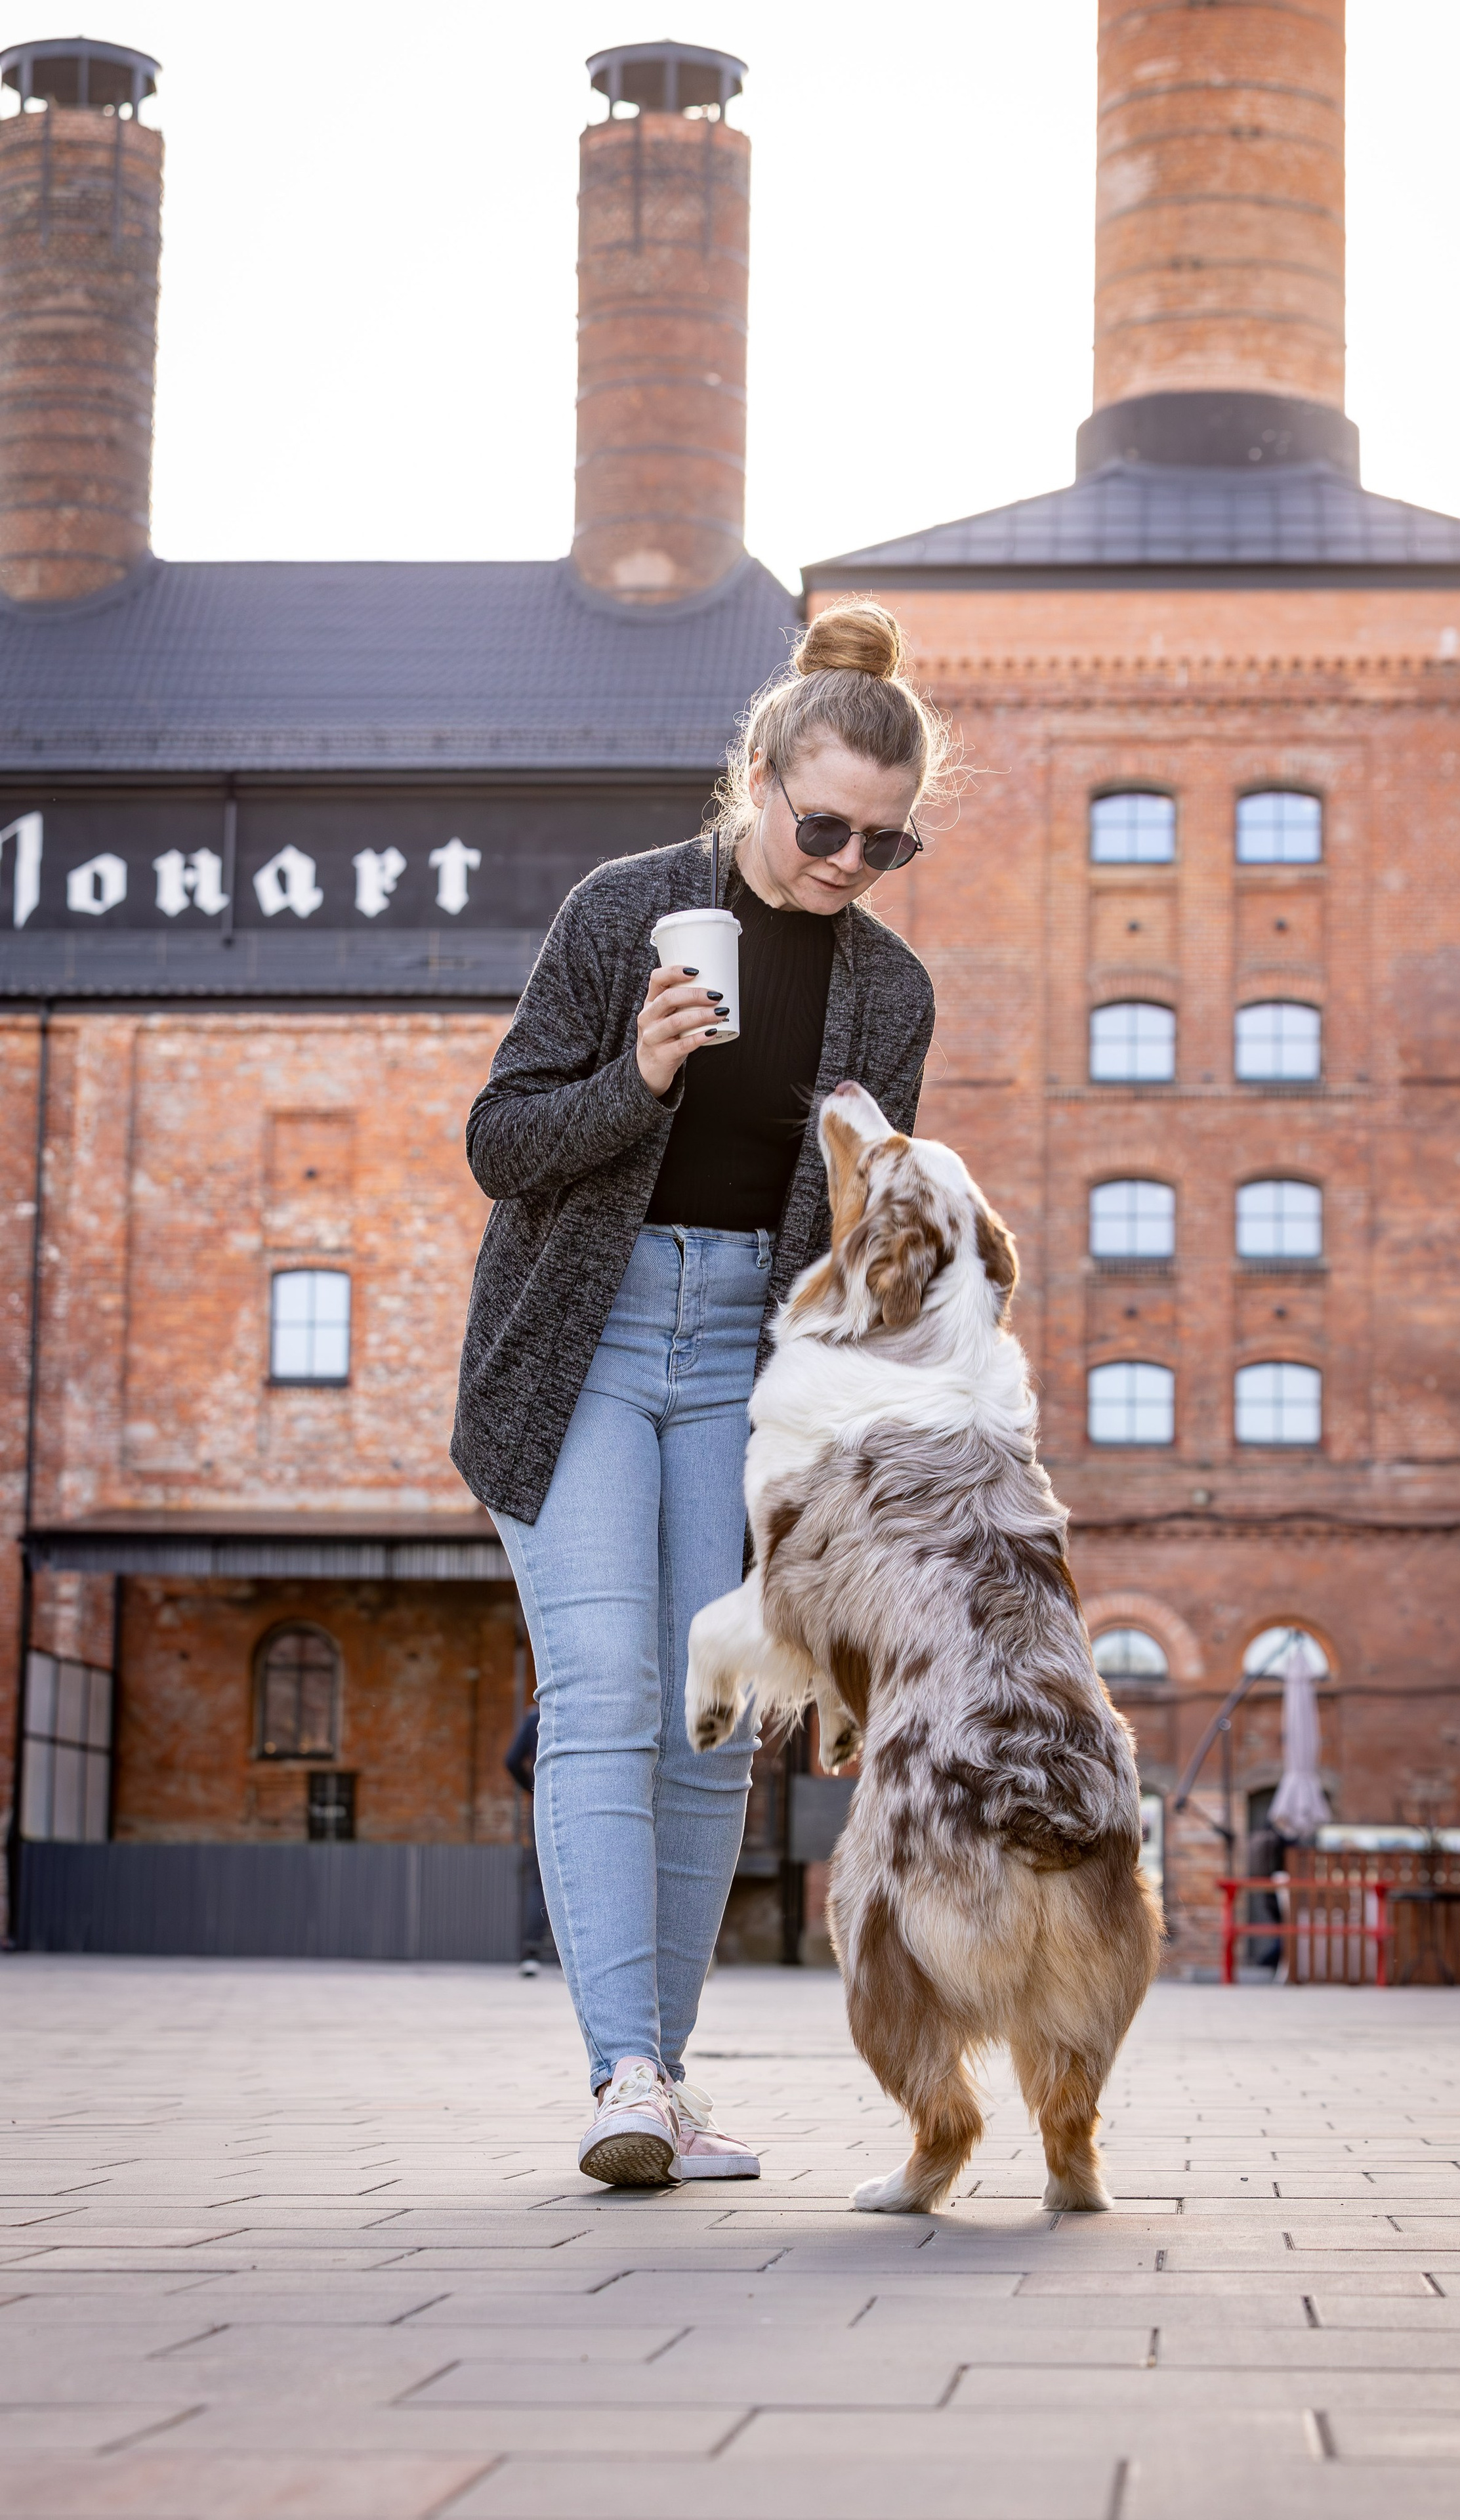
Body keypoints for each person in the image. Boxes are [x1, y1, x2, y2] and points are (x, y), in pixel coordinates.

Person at [451, 602, 947, 2187]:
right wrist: (641, 1077)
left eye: (885, 843)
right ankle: (624, 2073)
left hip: (747, 1364)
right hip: (582, 1341)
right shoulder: (624, 914)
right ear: (753, 776)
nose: (846, 865)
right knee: (600, 1689)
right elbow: (499, 1144)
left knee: (705, 1719)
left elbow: (868, 1276)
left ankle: (658, 2078)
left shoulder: (890, 990)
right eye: (821, 828)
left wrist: (869, 1179)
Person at [503, 1702, 550, 1975]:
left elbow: (511, 1761)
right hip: (583, 1807)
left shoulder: (537, 1715)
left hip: (543, 1806)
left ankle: (531, 1955)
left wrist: (533, 1789)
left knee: (540, 1881)